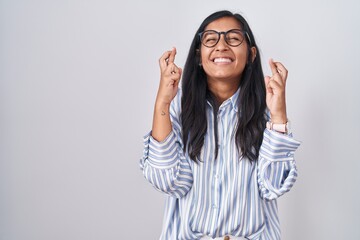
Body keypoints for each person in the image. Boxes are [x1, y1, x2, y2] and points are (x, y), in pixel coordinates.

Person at [140, 10, 301, 240]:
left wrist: (278, 117)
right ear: (199, 55)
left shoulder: (266, 109)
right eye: (210, 39)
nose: (221, 45)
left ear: (251, 54)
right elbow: (168, 181)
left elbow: (272, 186)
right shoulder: (178, 107)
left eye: (233, 38)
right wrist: (162, 102)